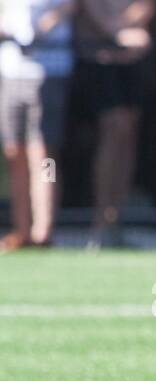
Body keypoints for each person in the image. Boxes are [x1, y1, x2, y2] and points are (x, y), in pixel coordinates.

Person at [76, 0, 155, 250]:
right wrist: (117, 33)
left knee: (128, 133)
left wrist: (125, 30)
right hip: (100, 57)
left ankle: (116, 218)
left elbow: (146, 5)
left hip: (132, 58)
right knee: (114, 130)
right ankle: (101, 220)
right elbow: (89, 9)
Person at [0, 0, 74, 251]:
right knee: (14, 151)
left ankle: (44, 228)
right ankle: (21, 228)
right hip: (11, 71)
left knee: (44, 155)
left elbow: (72, 6)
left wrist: (45, 24)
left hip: (48, 70)